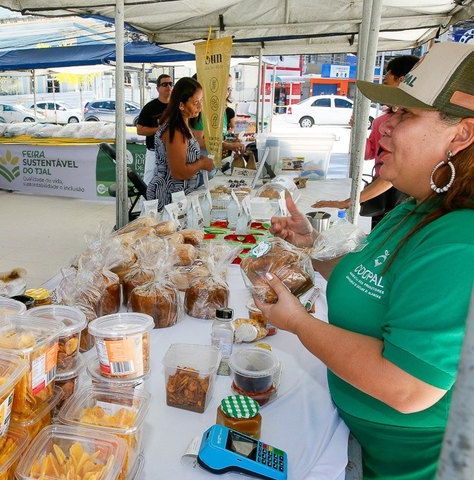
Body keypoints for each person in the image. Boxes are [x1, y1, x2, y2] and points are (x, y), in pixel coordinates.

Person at [260, 42, 474, 479]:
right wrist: (311, 249)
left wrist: (299, 323)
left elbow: (408, 386)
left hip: (404, 464)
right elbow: (369, 280)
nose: (385, 126)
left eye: (405, 115)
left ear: (461, 135)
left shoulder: (460, 239)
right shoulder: (419, 205)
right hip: (358, 435)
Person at [313, 55, 420, 228]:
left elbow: (391, 179)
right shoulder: (382, 121)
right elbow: (369, 154)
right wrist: (359, 132)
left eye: (406, 115)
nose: (387, 127)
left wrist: (348, 202)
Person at [146, 77, 216, 210]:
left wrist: (198, 158)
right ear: (181, 105)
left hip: (179, 195)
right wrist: (201, 163)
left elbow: (183, 155)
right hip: (168, 196)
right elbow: (178, 172)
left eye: (201, 101)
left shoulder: (183, 125)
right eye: (195, 102)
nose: (200, 106)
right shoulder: (176, 131)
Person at [137, 74, 173, 184]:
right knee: (149, 182)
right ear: (158, 88)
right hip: (154, 152)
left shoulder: (177, 106)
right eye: (164, 84)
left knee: (171, 183)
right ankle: (144, 202)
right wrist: (159, 129)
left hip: (172, 151)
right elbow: (140, 130)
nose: (168, 87)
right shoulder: (150, 107)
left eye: (170, 84)